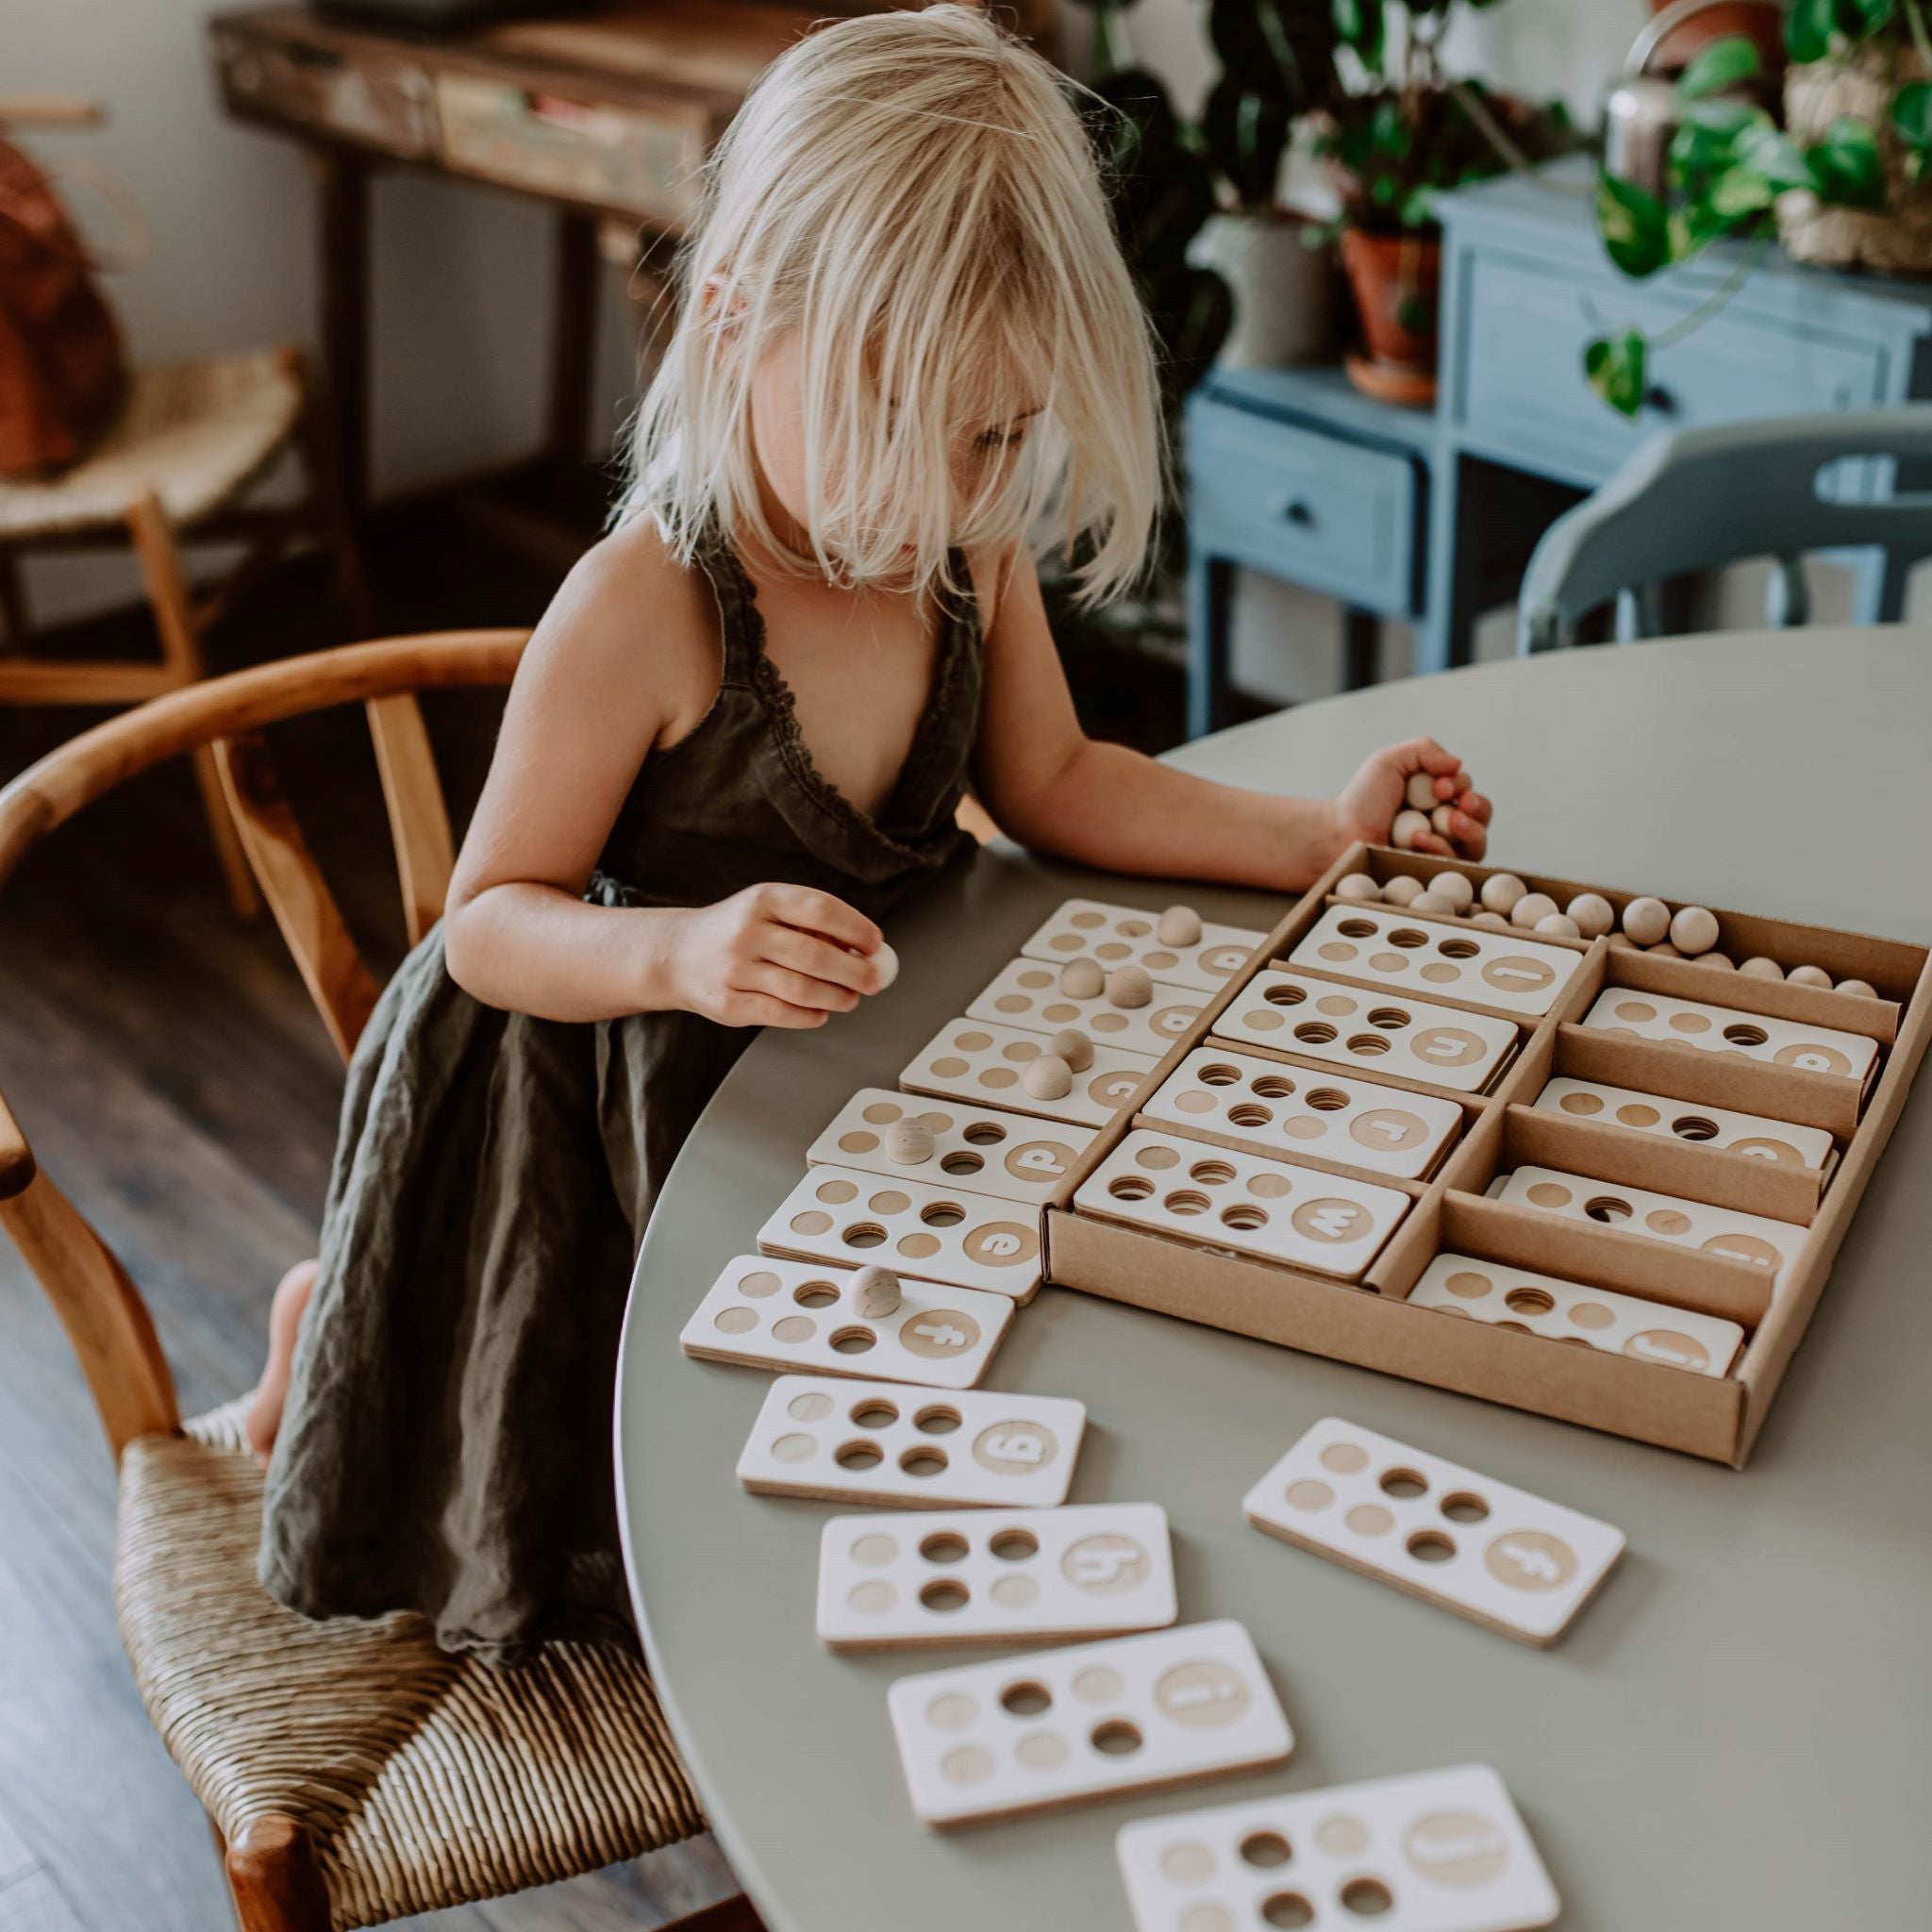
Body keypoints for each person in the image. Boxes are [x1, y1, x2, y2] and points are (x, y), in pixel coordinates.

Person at [249, 4, 1491, 1664]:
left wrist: (1318, 836)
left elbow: (1057, 783)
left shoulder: (960, 541)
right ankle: (309, 1320)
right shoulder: (643, 608)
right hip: (609, 1090)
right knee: (558, 1397)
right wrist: (681, 948)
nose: (943, 491)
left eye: (992, 437)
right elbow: (488, 921)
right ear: (736, 310)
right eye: (898, 422)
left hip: (858, 1062)